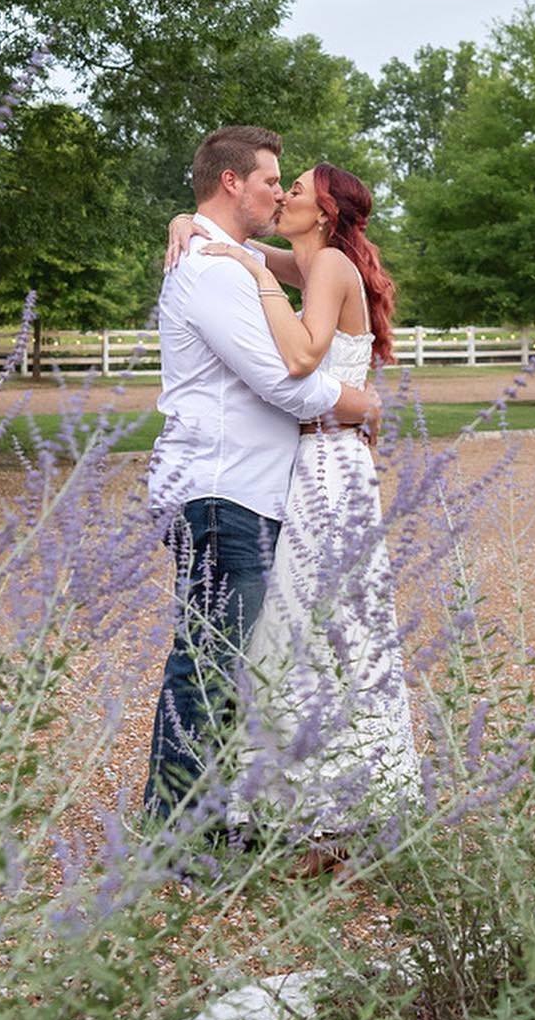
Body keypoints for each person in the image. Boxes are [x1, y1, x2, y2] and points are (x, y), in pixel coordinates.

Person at [165, 161, 418, 852]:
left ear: (326, 211)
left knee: (319, 621)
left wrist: (255, 282)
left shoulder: (328, 266)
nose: (284, 197)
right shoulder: (310, 263)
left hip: (331, 460)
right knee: (295, 626)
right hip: (313, 459)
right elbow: (234, 242)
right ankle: (297, 794)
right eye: (281, 185)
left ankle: (338, 799)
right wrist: (184, 220)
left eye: (296, 190)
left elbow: (304, 357)